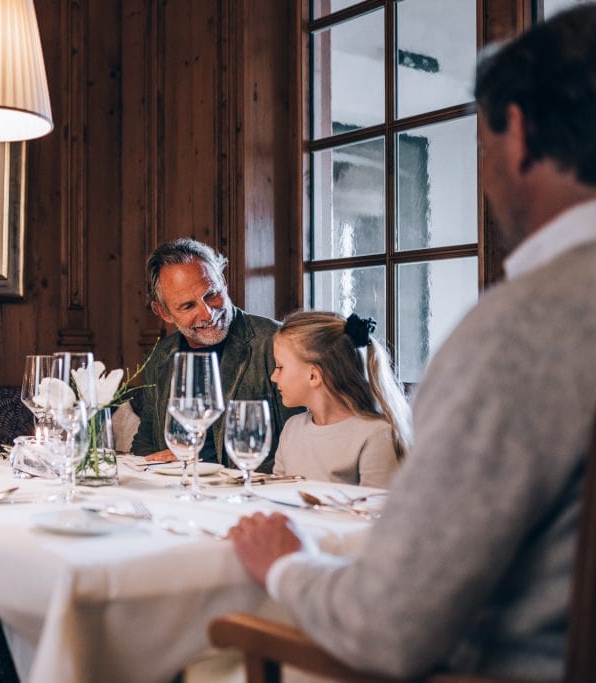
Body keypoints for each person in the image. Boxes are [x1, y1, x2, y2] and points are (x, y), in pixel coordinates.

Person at [228, 6, 596, 679]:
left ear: (516, 130)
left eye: (480, 146)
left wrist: (284, 563)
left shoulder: (520, 332)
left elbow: (387, 624)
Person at [132, 238, 301, 470]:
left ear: (222, 280)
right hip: (182, 493)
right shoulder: (160, 356)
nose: (208, 313)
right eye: (188, 306)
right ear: (163, 312)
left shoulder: (275, 342)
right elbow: (146, 443)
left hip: (254, 493)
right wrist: (160, 463)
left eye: (211, 294)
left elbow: (300, 446)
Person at [270, 310, 411, 488]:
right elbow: (275, 494)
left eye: (280, 367)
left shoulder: (376, 435)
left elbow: (378, 512)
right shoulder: (292, 428)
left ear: (313, 376)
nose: (273, 377)